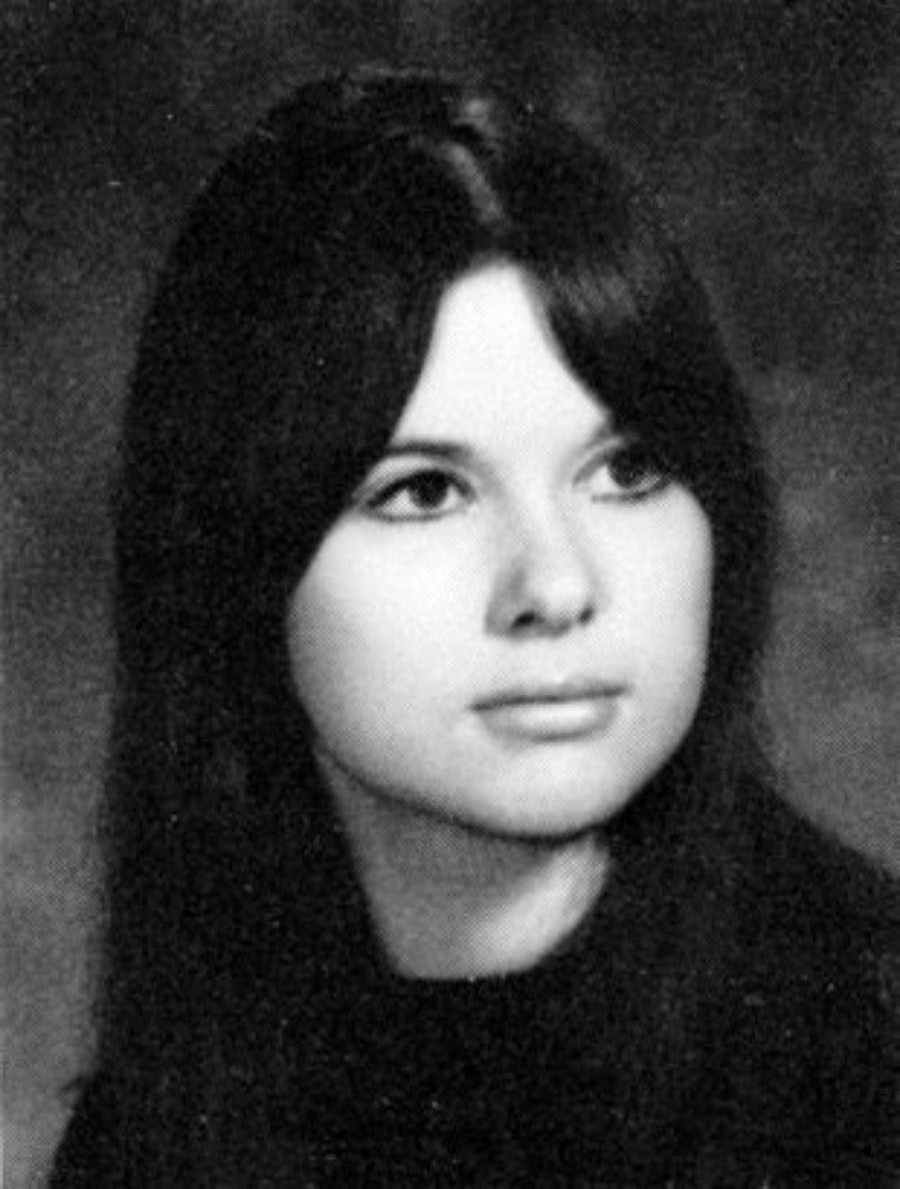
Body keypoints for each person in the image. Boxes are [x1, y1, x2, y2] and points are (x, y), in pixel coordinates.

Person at [51, 67, 898, 1186]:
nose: (556, 583)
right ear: (231, 553)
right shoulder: (157, 1123)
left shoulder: (869, 1046)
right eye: (426, 491)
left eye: (627, 469)